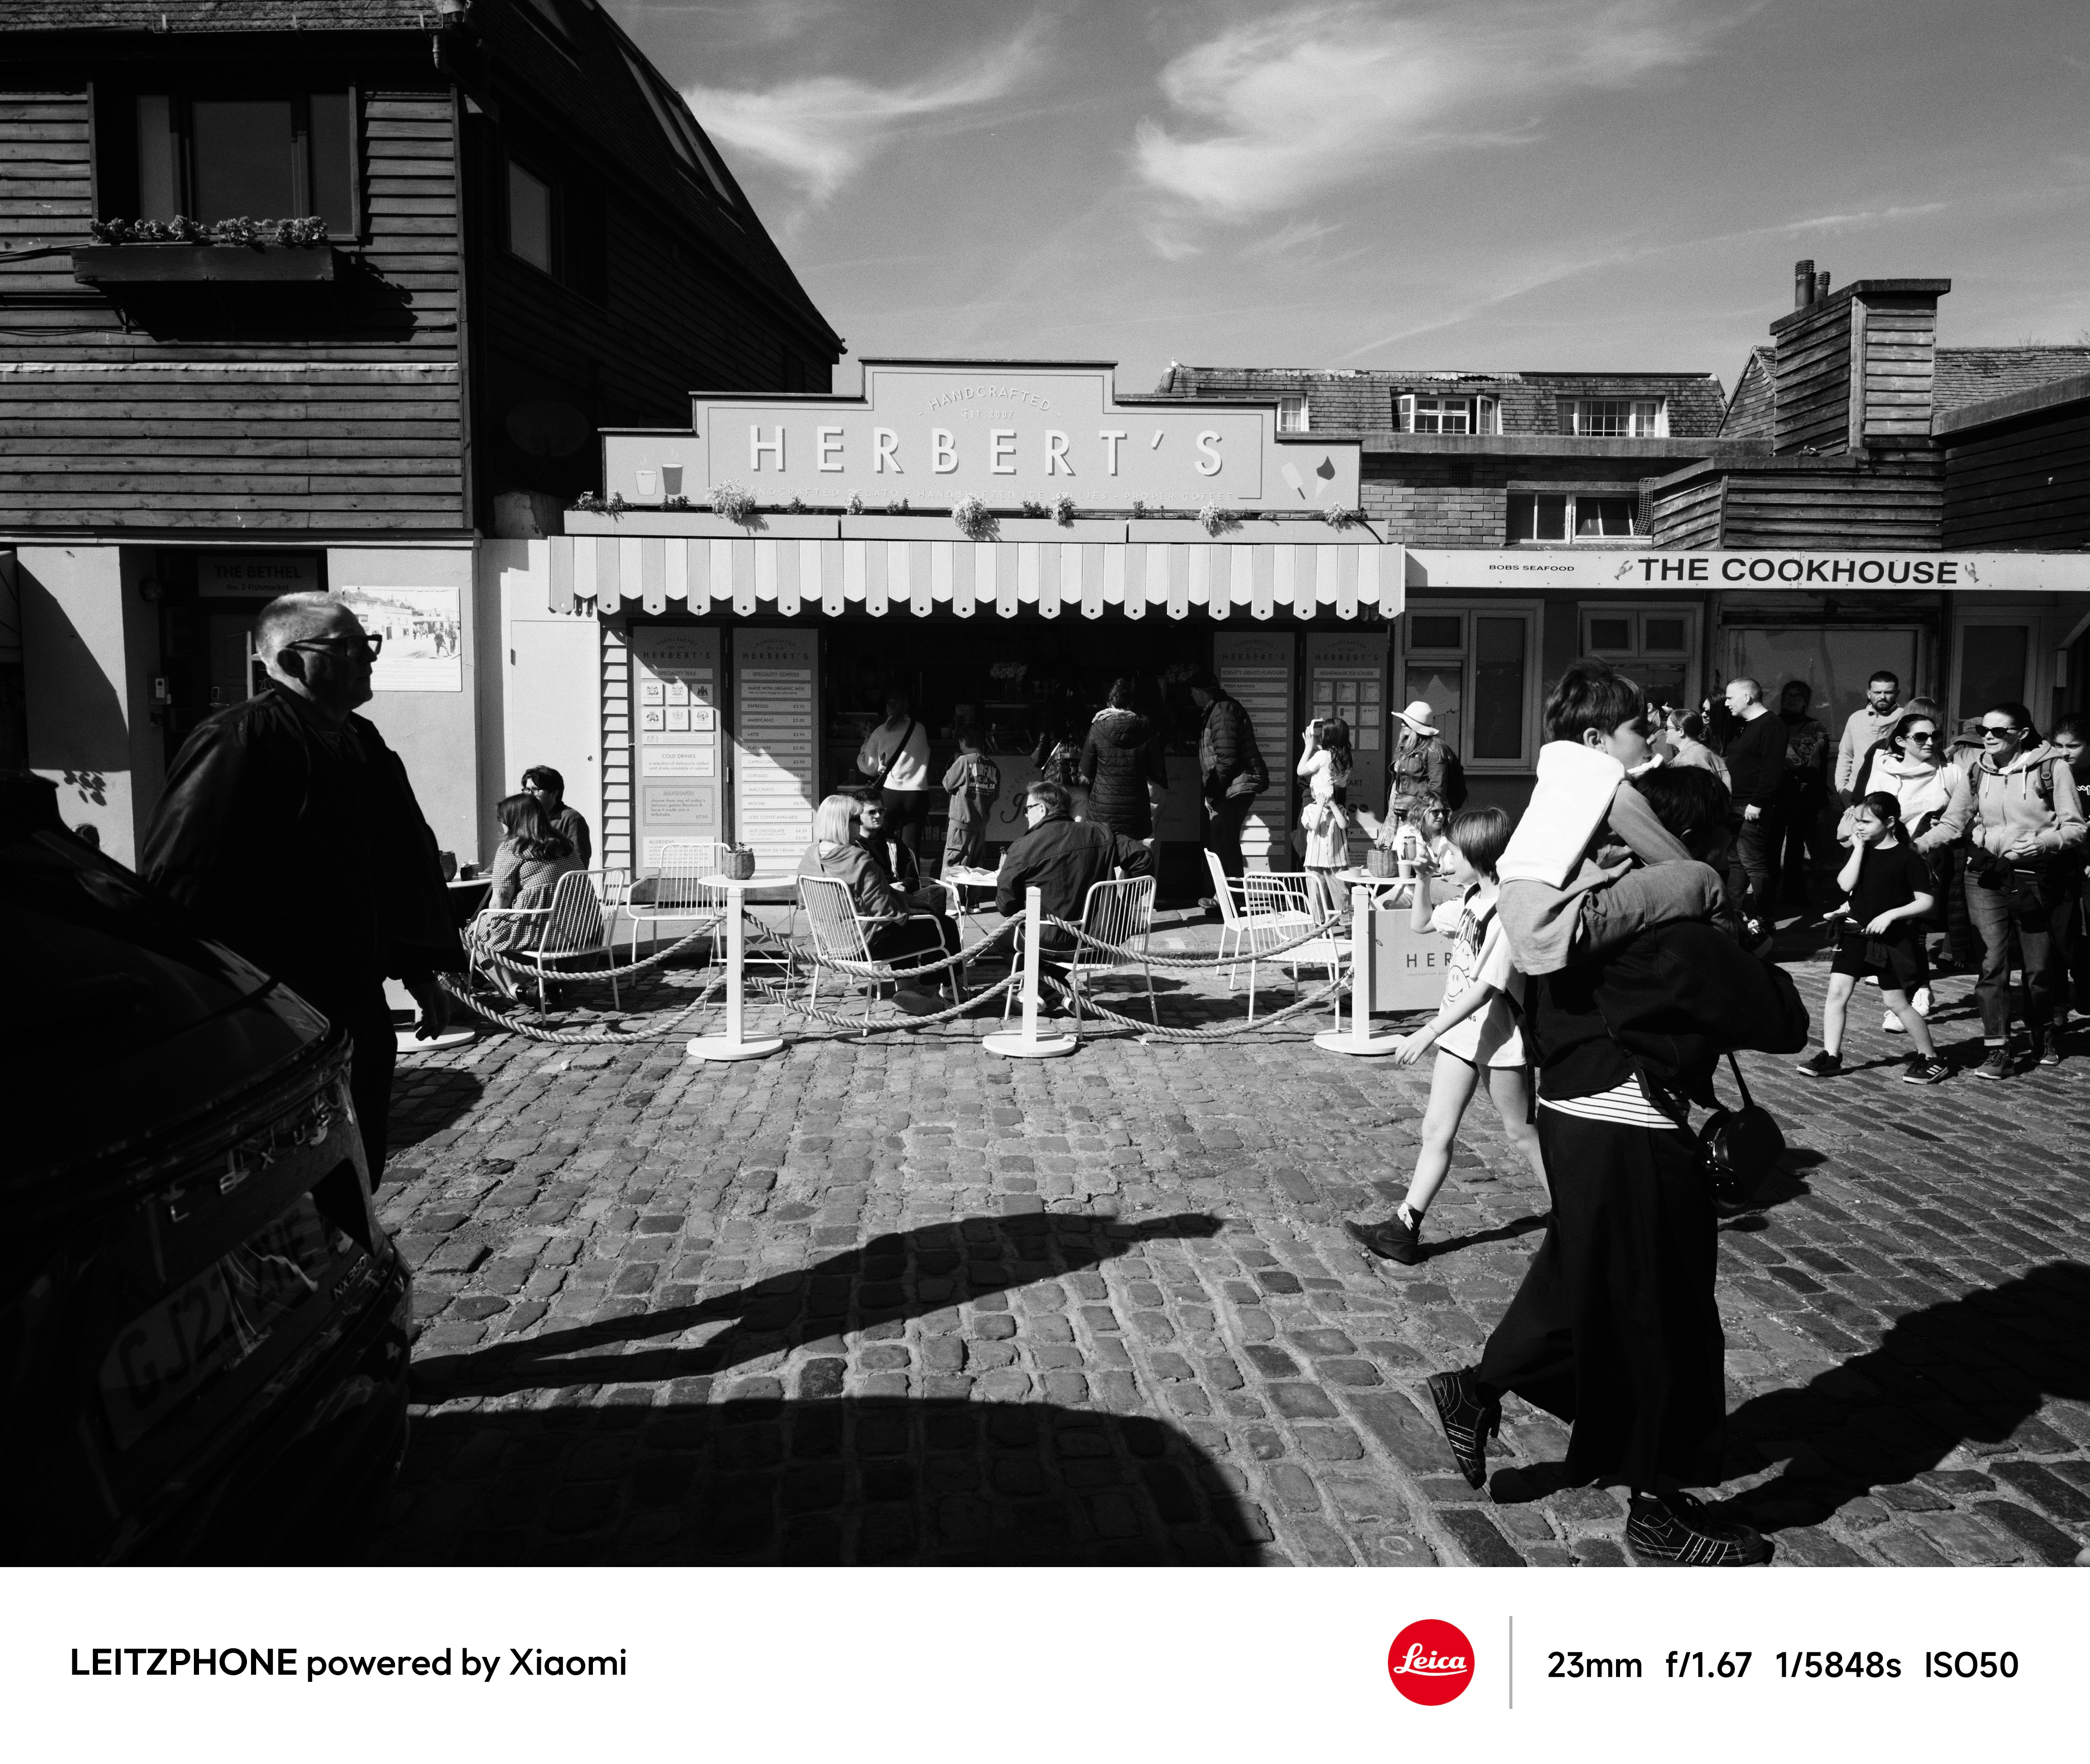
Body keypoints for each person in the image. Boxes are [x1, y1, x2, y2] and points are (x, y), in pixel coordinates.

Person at [1429, 737, 1809, 1567]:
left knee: (1579, 1287)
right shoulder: (1674, 933)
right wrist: (1732, 931)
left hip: (1573, 1116)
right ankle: (1659, 1505)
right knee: (1666, 1319)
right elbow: (1783, 1019)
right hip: (1637, 1131)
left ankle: (1477, 1386)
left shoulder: (1581, 914)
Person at [141, 591, 462, 1187]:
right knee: (296, 1179)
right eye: (348, 647)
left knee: (357, 1159)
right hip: (281, 1014)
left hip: (356, 1003)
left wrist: (420, 966)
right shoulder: (239, 740)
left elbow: (397, 860)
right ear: (291, 662)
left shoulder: (359, 739)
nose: (368, 658)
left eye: (368, 644)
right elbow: (179, 884)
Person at [1345, 807, 1547, 1266]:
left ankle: (1578, 1217)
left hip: (1499, 1041)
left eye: (1453, 851)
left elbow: (1486, 989)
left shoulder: (1506, 912)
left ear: (1481, 853)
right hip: (1459, 1037)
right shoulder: (1473, 900)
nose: (1444, 857)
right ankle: (1404, 1228)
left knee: (1520, 1132)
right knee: (1436, 1130)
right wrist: (1419, 879)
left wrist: (1428, 1031)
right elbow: (1421, 923)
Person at [1495, 660, 1727, 978]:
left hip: (1524, 924)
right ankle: (1735, 961)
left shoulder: (1556, 784)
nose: (1651, 740)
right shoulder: (1612, 791)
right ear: (1596, 741)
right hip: (1565, 923)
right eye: (1640, 730)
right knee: (1704, 879)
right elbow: (1674, 862)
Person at [1932, 701, 2086, 1076]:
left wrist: (2045, 843)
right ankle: (1997, 1047)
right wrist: (1916, 844)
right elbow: (1955, 821)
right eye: (1984, 730)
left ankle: (2042, 1032)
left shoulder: (2054, 768)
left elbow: (2076, 827)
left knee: (2038, 968)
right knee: (1992, 964)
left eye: (1998, 732)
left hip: (2033, 878)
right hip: (1985, 875)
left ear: (2021, 734)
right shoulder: (1977, 769)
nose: (1987, 737)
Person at [1793, 793, 1949, 1084]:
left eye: (1866, 822)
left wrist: (1891, 915)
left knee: (1896, 1003)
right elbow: (1845, 884)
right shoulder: (1860, 851)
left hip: (1889, 941)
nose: (1859, 827)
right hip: (1855, 934)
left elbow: (1926, 902)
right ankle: (1831, 1055)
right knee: (1836, 994)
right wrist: (1858, 848)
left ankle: (1931, 1057)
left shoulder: (1908, 858)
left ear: (1890, 822)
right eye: (1856, 822)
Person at [1843, 707, 1954, 1030]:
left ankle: (1913, 993)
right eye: (1921, 736)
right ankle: (1905, 991)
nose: (1930, 741)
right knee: (1887, 929)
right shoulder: (1881, 764)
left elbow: (1957, 818)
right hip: (1877, 852)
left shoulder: (1950, 772)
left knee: (1914, 930)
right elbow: (1859, 805)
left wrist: (1926, 841)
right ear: (1903, 740)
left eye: (1935, 735)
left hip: (1922, 854)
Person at [994, 779, 1155, 1002]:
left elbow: (1005, 905)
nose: (1025, 816)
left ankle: (1046, 990)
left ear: (1041, 809)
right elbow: (1143, 858)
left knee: (1002, 939)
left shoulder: (1024, 846)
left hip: (1050, 939)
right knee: (1044, 941)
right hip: (1099, 938)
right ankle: (1059, 994)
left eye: (1026, 809)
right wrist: (1122, 901)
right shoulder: (1100, 833)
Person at [799, 793, 954, 1011]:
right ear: (845, 823)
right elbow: (884, 909)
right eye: (856, 819)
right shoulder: (856, 858)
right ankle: (929, 991)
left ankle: (907, 990)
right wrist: (912, 909)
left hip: (830, 942)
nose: (859, 824)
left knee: (914, 924)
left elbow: (803, 901)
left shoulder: (810, 856)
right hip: (865, 943)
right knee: (944, 926)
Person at [469, 793, 582, 993]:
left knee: (473, 934)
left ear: (513, 821)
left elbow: (498, 905)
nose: (501, 824)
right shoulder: (565, 846)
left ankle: (517, 992)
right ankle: (548, 985)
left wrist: (480, 921)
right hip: (577, 930)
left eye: (501, 819)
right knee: (540, 913)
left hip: (542, 934)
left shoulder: (512, 849)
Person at [1188, 669, 1267, 888]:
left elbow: (1227, 759)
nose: (1191, 697)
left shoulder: (1222, 712)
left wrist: (1212, 793)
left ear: (1199, 691)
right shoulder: (1219, 709)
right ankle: (1225, 898)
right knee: (1224, 842)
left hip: (1232, 789)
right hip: (1231, 787)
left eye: (1192, 693)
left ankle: (1230, 899)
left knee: (1224, 842)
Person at [1720, 677, 1787, 920]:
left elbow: (1772, 770)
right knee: (1736, 861)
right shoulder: (1746, 725)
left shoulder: (1771, 725)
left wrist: (1758, 802)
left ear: (1747, 697)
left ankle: (1764, 917)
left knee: (1753, 862)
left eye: (1730, 697)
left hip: (1751, 805)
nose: (1726, 703)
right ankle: (1733, 914)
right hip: (1736, 804)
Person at [1078, 676, 1168, 845]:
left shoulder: (1097, 727)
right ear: (1130, 704)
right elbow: (1156, 767)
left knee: (1107, 855)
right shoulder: (1145, 726)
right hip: (1135, 806)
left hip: (1103, 807)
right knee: (1134, 853)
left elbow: (1087, 770)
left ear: (1110, 705)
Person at [1770, 681, 1831, 913]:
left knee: (1796, 848)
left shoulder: (1815, 727)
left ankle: (1794, 893)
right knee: (1771, 847)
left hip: (1804, 798)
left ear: (1806, 701)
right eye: (1788, 695)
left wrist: (1820, 803)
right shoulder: (1772, 723)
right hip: (1775, 796)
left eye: (1798, 695)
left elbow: (1819, 766)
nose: (1792, 699)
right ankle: (1768, 892)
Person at [856, 690, 934, 860]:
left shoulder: (880, 732)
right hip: (918, 794)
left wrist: (865, 746)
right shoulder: (920, 728)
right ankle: (912, 883)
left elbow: (869, 768)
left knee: (881, 841)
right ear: (907, 707)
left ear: (887, 708)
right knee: (912, 846)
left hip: (891, 793)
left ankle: (885, 880)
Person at [1296, 715, 1354, 919]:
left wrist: (1309, 746)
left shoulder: (1322, 756)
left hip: (1318, 806)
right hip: (1335, 806)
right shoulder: (1346, 759)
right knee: (1339, 881)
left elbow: (1301, 771)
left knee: (1313, 861)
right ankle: (1346, 921)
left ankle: (1319, 921)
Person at [1835, 670, 1904, 802]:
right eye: (1877, 692)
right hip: (1853, 792)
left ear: (1897, 693)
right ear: (1869, 693)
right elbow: (1845, 755)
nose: (1883, 697)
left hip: (1889, 795)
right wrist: (1841, 788)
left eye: (1888, 692)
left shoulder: (1905, 718)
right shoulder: (1856, 718)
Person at [940, 728, 1000, 873]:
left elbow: (948, 783)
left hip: (961, 826)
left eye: (960, 743)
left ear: (964, 742)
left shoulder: (964, 761)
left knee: (954, 870)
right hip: (980, 827)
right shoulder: (993, 766)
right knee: (976, 870)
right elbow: (996, 796)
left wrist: (955, 763)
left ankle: (953, 896)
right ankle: (973, 897)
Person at [1387, 699, 1459, 819]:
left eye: (1406, 722)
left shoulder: (1435, 749)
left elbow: (1438, 788)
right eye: (1403, 720)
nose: (1402, 724)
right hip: (1401, 808)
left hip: (1420, 812)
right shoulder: (1405, 743)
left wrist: (1431, 816)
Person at [521, 764, 590, 870]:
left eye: (535, 790)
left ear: (554, 793)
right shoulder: (525, 818)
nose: (529, 795)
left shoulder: (571, 819)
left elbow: (579, 864)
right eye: (527, 790)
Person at [1664, 708, 1730, 787]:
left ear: (1681, 731)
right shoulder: (1708, 752)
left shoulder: (1685, 761)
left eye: (1667, 728)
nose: (1665, 732)